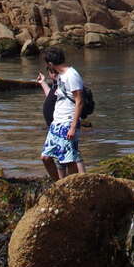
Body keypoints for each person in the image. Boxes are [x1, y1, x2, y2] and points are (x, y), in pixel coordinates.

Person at [36, 47, 86, 180]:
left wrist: (73, 127)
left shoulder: (71, 75)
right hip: (56, 123)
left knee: (69, 160)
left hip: (67, 122)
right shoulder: (61, 77)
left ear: (50, 64)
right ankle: (59, 185)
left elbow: (79, 101)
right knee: (46, 157)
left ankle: (74, 186)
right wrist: (43, 83)